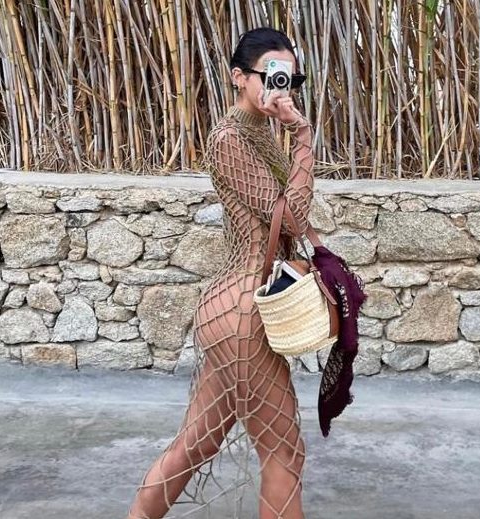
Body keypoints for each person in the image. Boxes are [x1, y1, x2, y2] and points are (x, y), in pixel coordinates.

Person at [127, 27, 315, 519]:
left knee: (196, 443)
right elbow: (292, 217)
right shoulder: (229, 138)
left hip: (237, 307)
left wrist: (290, 132)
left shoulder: (259, 133)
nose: (280, 87)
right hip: (244, 313)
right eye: (271, 75)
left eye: (290, 78)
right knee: (284, 451)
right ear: (238, 77)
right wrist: (302, 136)